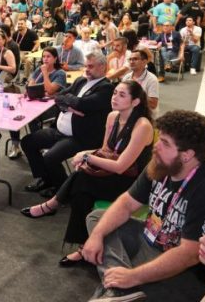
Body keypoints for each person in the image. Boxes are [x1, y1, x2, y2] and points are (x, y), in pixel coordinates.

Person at [82, 110, 205, 302]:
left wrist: (134, 276)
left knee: (122, 284)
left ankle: (120, 285)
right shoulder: (161, 165)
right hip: (149, 238)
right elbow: (126, 203)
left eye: (165, 143)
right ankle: (120, 289)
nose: (156, 146)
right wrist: (97, 235)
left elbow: (189, 254)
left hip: (184, 269)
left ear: (187, 155)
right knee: (98, 219)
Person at [21, 81, 153, 267]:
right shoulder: (113, 117)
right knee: (81, 186)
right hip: (111, 174)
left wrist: (86, 157)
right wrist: (86, 156)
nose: (114, 97)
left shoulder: (143, 126)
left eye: (122, 95)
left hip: (132, 183)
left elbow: (121, 167)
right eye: (115, 93)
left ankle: (53, 204)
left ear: (136, 102)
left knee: (81, 179)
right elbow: (105, 151)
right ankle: (84, 247)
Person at [21, 51, 114, 195]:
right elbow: (58, 96)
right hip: (60, 131)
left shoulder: (106, 88)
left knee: (50, 157)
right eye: (86, 66)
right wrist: (69, 106)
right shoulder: (81, 81)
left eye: (90, 66)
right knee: (28, 142)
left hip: (79, 137)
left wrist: (70, 101)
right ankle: (45, 179)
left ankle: (62, 190)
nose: (87, 70)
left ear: (102, 67)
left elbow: (82, 103)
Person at [8, 47, 67, 159]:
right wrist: (32, 89)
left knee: (32, 118)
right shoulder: (38, 70)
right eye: (43, 56)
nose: (45, 59)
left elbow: (50, 90)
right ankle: (15, 146)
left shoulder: (60, 73)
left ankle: (38, 145)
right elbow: (30, 87)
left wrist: (45, 73)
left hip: (51, 107)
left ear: (55, 59)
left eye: (48, 56)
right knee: (14, 114)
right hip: (35, 102)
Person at [122, 49, 160, 118]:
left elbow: (153, 104)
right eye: (130, 59)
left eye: (135, 59)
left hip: (146, 116)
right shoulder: (126, 78)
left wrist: (137, 92)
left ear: (144, 62)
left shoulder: (152, 79)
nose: (131, 62)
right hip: (130, 113)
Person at [13, 17, 40, 82]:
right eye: (18, 24)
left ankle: (25, 78)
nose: (19, 25)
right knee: (16, 59)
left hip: (30, 52)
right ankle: (16, 77)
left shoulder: (32, 33)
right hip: (20, 52)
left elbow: (37, 43)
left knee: (28, 61)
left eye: (21, 24)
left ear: (25, 25)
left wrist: (32, 51)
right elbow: (13, 44)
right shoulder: (15, 34)